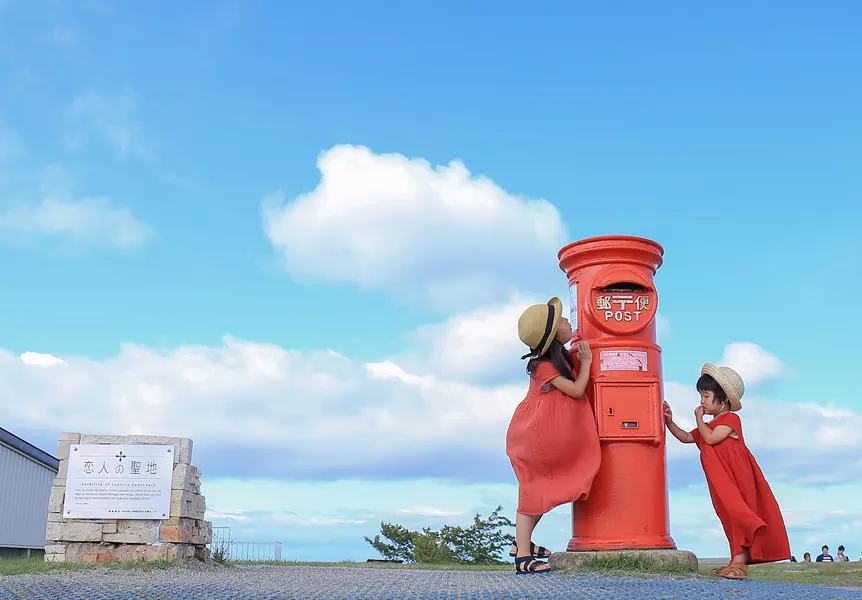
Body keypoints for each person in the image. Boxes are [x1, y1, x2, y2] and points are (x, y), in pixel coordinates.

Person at [663, 363, 791, 580]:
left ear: (723, 399)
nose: (701, 401)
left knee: (738, 511)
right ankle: (736, 561)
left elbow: (710, 439)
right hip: (722, 478)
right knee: (728, 515)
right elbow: (686, 437)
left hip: (737, 476)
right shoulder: (710, 425)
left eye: (705, 396)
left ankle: (740, 564)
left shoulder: (730, 419)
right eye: (701, 396)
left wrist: (698, 419)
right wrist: (669, 421)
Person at [506, 297, 601, 574]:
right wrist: (586, 362)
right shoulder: (543, 365)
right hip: (534, 437)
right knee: (532, 490)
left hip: (543, 435)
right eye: (562, 320)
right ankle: (522, 558)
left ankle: (520, 543)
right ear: (552, 336)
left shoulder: (559, 358)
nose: (568, 321)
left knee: (540, 489)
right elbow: (576, 390)